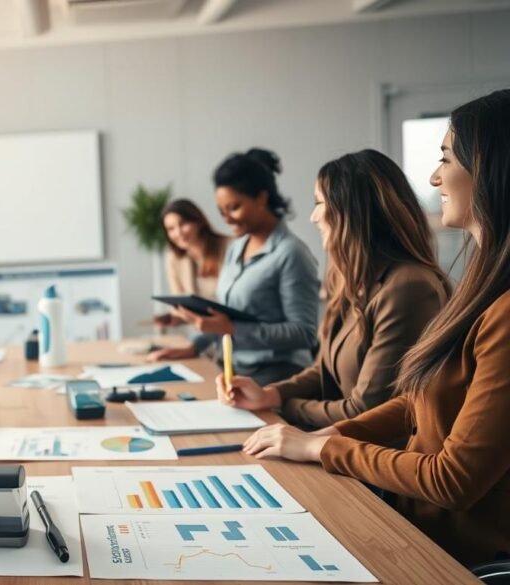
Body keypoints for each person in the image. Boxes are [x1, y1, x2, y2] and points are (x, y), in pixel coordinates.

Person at [241, 90, 510, 567]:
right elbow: (415, 398)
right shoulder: (481, 286)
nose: (433, 176)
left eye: (446, 158)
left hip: (445, 551)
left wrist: (324, 445)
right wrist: (322, 431)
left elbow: (452, 479)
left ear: (490, 168)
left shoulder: (480, 304)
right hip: (406, 519)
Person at [220, 150, 449, 428]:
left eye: (319, 203)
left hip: (367, 455)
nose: (313, 217)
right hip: (333, 441)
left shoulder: (408, 288)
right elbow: (322, 371)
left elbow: (365, 409)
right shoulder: (348, 278)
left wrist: (282, 405)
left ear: (351, 211)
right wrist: (270, 395)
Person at [149, 148, 319, 386]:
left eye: (234, 207)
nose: (226, 218)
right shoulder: (236, 248)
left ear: (261, 198)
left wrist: (233, 328)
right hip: (236, 368)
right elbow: (226, 316)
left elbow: (304, 333)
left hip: (279, 376)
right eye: (222, 211)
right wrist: (194, 347)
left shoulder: (291, 253)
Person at [155, 198, 230, 327]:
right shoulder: (174, 258)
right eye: (171, 229)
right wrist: (175, 318)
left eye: (183, 224)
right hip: (203, 334)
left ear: (198, 221)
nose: (178, 233)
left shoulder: (229, 247)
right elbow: (182, 305)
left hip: (232, 329)